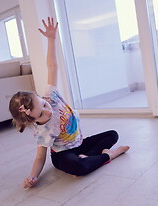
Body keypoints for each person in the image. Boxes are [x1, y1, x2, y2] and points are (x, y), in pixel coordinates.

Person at [9, 17, 130, 188]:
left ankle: (90, 157)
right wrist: (32, 177)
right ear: (32, 120)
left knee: (112, 134)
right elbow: (39, 158)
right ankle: (110, 155)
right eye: (42, 114)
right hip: (63, 155)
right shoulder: (43, 131)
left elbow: (52, 67)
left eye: (43, 104)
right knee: (79, 168)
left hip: (80, 144)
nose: (48, 110)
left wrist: (51, 39)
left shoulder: (51, 96)